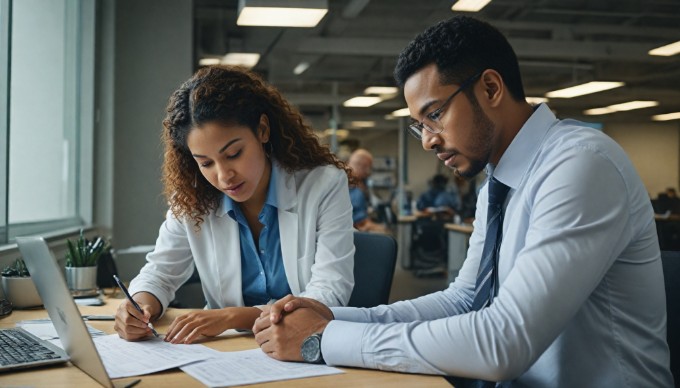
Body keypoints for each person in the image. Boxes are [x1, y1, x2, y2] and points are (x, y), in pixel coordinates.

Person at [251, 16, 673, 387]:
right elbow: (463, 300)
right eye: (420, 126)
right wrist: (328, 317)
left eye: (434, 114)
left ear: (490, 87)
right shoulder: (497, 180)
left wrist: (322, 340)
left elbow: (505, 341)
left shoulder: (581, 165)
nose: (429, 140)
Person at [114, 65, 355, 344]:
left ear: (262, 130)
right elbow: (159, 273)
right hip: (226, 352)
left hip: (300, 346)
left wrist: (233, 317)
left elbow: (329, 292)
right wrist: (140, 305)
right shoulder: (194, 199)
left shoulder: (322, 184)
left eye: (234, 154)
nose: (223, 175)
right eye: (205, 163)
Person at [347, 148, 386, 233]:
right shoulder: (355, 191)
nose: (368, 172)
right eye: (369, 167)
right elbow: (361, 223)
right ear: (362, 166)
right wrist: (382, 228)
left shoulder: (361, 185)